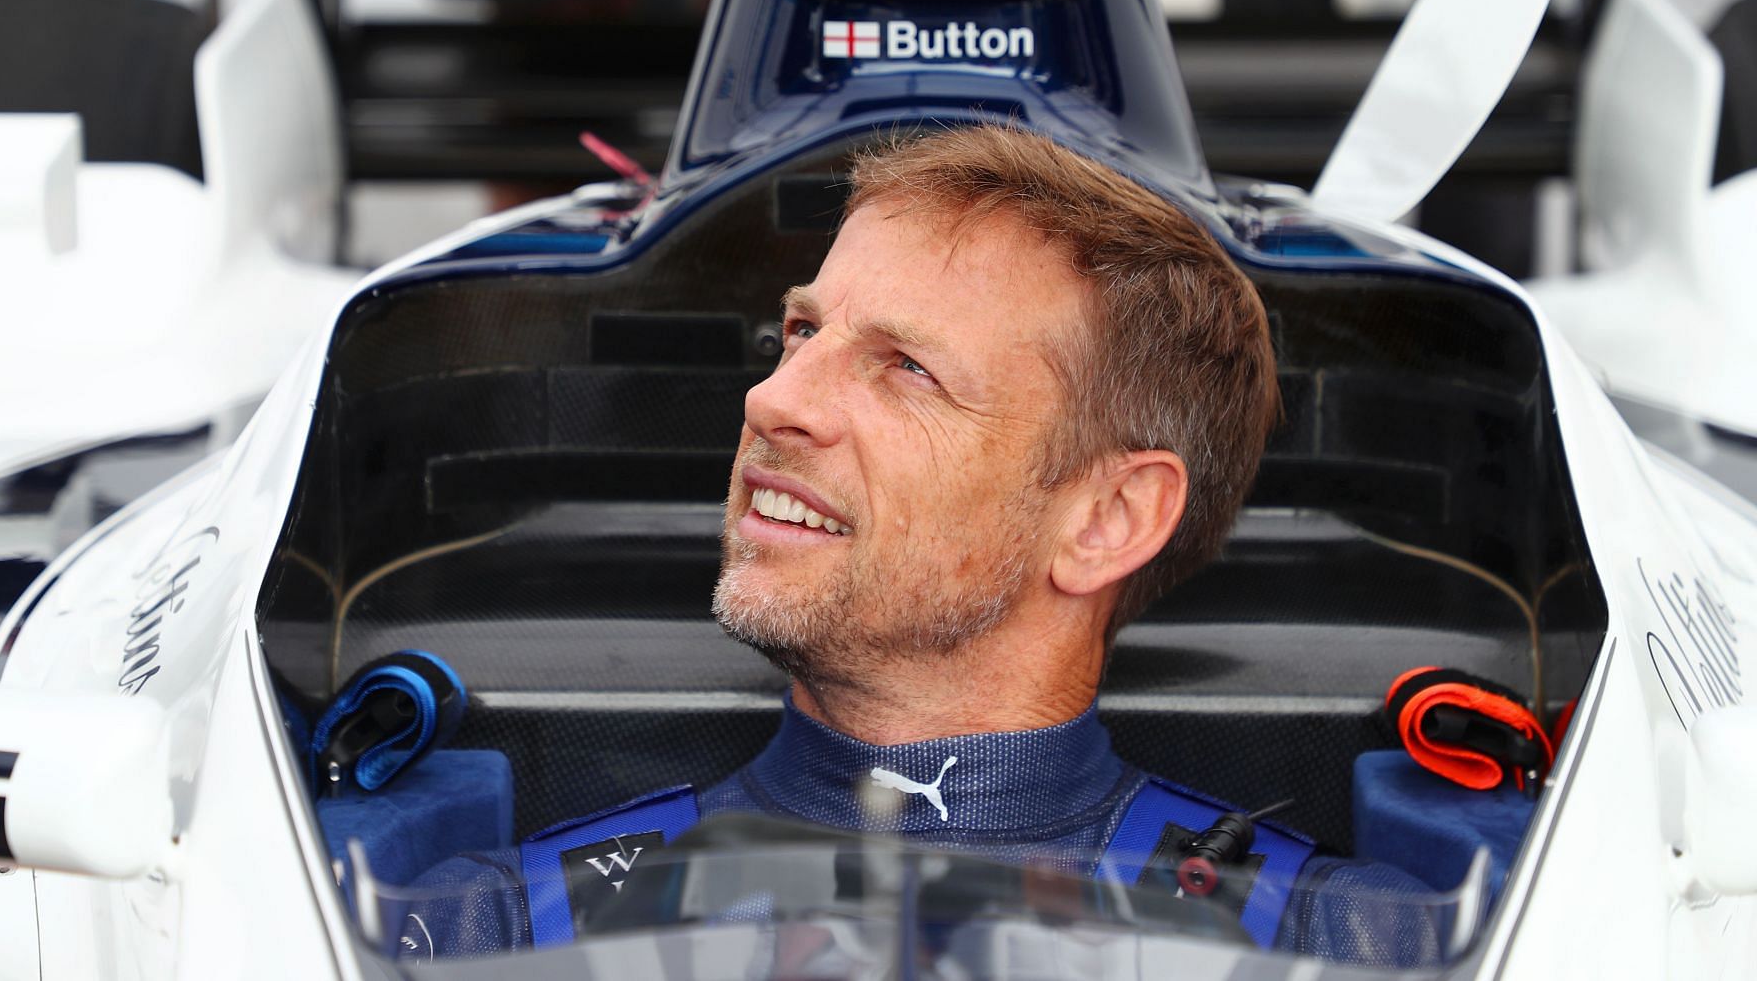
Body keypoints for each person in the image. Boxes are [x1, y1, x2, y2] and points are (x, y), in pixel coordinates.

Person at [398, 124, 1440, 966]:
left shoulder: (1372, 949)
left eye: (906, 368)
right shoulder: (471, 936)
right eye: (802, 333)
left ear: (1106, 519)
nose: (773, 397)